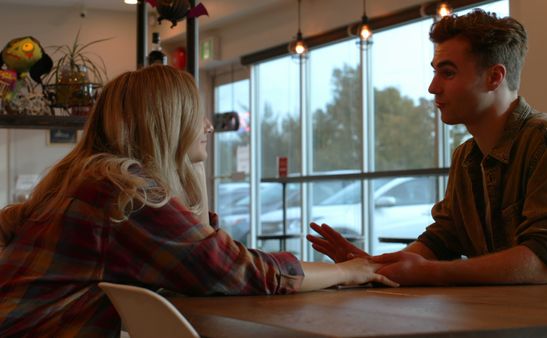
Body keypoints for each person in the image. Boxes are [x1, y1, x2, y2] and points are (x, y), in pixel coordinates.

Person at [0, 65, 397, 338]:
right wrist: (348, 272)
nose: (208, 125)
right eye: (196, 114)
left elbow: (206, 251)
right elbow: (232, 269)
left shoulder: (89, 176)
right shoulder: (121, 190)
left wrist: (186, 169)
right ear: (167, 122)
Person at [308, 9, 547, 286]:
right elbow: (444, 238)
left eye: (447, 73)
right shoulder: (466, 156)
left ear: (494, 77)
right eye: (435, 72)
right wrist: (372, 268)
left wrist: (430, 273)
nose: (433, 87)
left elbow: (546, 263)